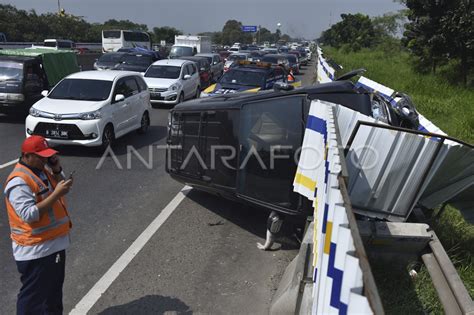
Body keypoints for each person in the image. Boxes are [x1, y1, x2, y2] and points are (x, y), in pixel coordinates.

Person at [4, 135, 73, 315]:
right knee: (33, 299)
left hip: (53, 245)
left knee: (53, 294)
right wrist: (56, 194)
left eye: (47, 155)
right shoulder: (18, 181)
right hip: (36, 250)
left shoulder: (42, 170)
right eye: (41, 156)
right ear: (27, 156)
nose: (45, 159)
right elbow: (28, 214)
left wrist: (56, 168)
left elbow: (59, 184)